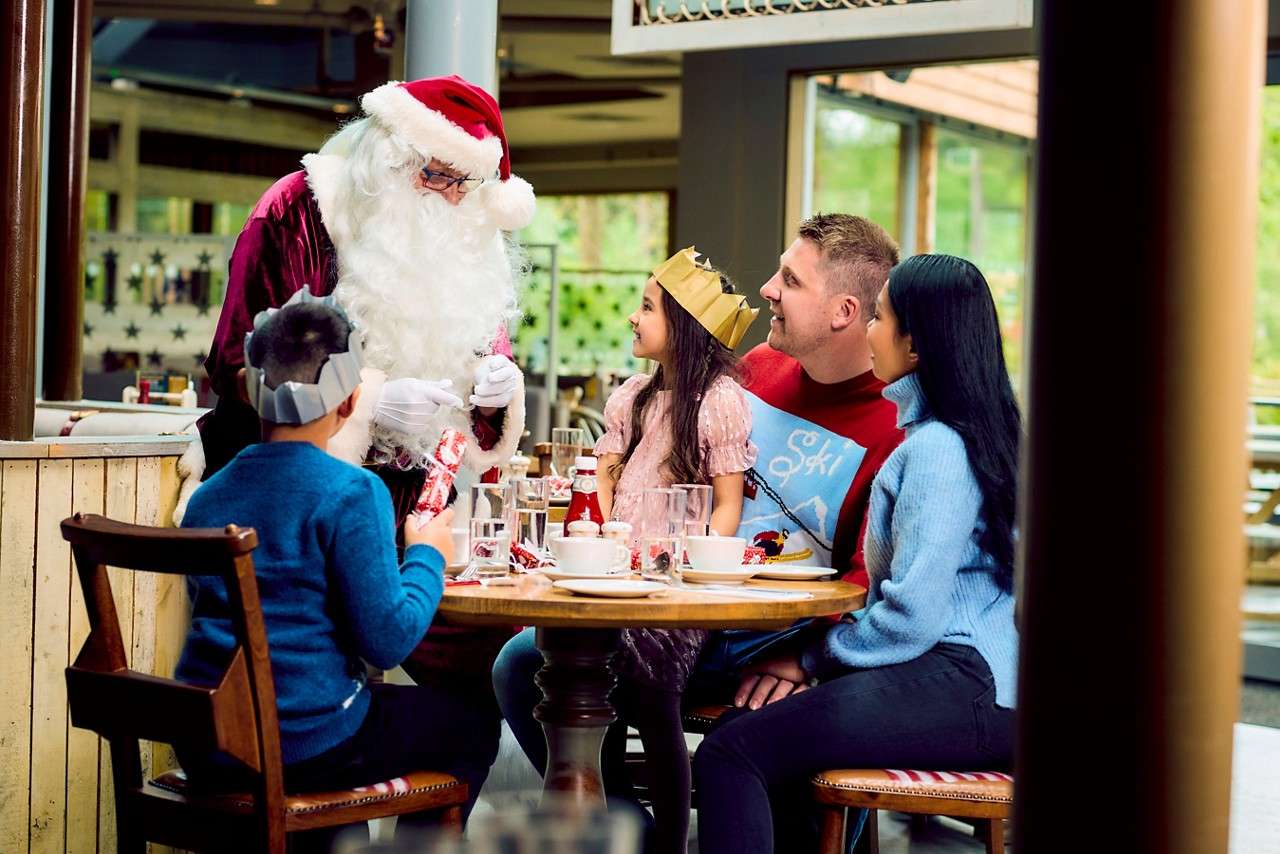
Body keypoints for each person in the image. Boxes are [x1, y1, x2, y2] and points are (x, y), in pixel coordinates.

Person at [177, 75, 536, 718]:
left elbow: (487, 347)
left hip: (421, 508)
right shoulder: (296, 212)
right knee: (325, 672)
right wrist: (371, 400)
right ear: (389, 156)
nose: (451, 197)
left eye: (465, 183)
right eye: (434, 175)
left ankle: (401, 801)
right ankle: (333, 797)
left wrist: (497, 387)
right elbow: (236, 364)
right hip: (299, 504)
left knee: (484, 670)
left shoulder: (466, 233)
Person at [692, 254, 1022, 853]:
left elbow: (911, 616)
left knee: (730, 753)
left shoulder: (937, 450)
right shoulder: (949, 435)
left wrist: (814, 657)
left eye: (880, 316)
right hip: (955, 679)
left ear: (914, 346)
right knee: (751, 735)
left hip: (967, 684)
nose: (869, 329)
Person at [175, 295, 498, 849]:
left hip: (208, 742)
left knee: (351, 716)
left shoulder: (208, 498)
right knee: (471, 721)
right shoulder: (351, 492)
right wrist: (427, 553)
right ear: (351, 402)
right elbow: (388, 642)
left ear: (255, 394)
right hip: (301, 745)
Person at [495, 248, 758, 853]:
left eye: (647, 307)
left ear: (687, 326)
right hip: (619, 578)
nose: (633, 318)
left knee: (645, 680)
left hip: (676, 592)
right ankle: (614, 809)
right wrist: (605, 533)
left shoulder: (718, 401)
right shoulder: (632, 396)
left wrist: (697, 567)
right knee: (545, 662)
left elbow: (727, 503)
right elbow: (604, 477)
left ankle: (664, 838)